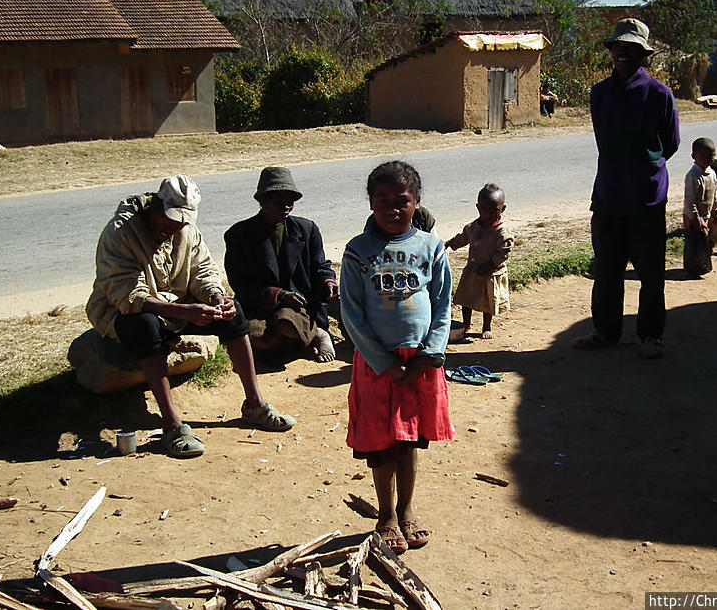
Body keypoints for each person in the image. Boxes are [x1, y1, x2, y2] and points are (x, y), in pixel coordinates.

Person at [86, 174, 295, 459]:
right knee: (147, 327)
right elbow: (127, 295)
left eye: (180, 223)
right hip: (122, 311)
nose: (172, 227)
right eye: (167, 220)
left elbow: (203, 272)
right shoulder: (120, 232)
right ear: (156, 204)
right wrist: (183, 311)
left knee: (233, 313)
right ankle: (171, 425)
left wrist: (216, 298)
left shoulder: (185, 230)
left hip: (177, 306)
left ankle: (255, 404)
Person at [340, 160, 455, 554]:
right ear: (370, 202)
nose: (392, 207)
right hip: (378, 365)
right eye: (382, 199)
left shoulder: (430, 247)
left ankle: (406, 509)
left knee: (410, 441)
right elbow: (351, 314)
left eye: (401, 200)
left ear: (417, 201)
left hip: (421, 363)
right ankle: (385, 514)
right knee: (381, 442)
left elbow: (442, 304)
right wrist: (384, 362)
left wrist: (431, 354)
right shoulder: (358, 251)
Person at [572, 18, 679, 358]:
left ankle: (650, 336)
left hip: (646, 199)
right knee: (606, 270)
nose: (621, 52)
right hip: (608, 197)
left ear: (641, 54)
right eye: (617, 46)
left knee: (650, 274)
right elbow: (604, 140)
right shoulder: (599, 93)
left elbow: (671, 144)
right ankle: (606, 332)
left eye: (629, 47)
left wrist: (643, 165)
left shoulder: (659, 94)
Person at [224, 167, 337, 363]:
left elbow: (320, 265)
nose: (285, 207)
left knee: (286, 321)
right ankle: (306, 339)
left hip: (299, 307)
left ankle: (316, 334)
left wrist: (328, 281)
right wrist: (280, 295)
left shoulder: (306, 229)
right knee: (256, 338)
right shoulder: (239, 235)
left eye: (290, 202)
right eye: (278, 202)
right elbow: (240, 283)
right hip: (260, 306)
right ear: (262, 201)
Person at [445, 183, 514, 339]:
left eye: (494, 210)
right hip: (473, 270)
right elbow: (463, 238)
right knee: (466, 299)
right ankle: (466, 323)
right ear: (478, 208)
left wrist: (490, 265)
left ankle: (486, 327)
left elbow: (504, 252)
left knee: (487, 303)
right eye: (484, 209)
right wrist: (449, 243)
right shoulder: (475, 226)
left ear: (502, 209)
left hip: (490, 273)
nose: (489, 213)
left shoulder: (502, 232)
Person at [682, 138, 717, 276]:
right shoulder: (693, 176)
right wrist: (696, 219)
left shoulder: (712, 174)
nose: (708, 159)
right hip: (693, 216)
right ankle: (692, 268)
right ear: (693, 156)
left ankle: (704, 265)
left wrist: (715, 213)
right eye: (703, 156)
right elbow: (690, 202)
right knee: (694, 242)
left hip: (707, 214)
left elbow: (714, 195)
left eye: (711, 155)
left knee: (705, 241)